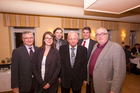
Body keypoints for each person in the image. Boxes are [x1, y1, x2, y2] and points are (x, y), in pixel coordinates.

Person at [87, 27, 126, 93]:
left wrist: (114, 89)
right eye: (98, 34)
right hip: (92, 81)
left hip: (105, 86)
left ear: (107, 35)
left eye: (103, 34)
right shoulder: (95, 45)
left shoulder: (116, 47)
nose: (100, 36)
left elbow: (120, 73)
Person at [78, 27, 96, 93]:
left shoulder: (94, 43)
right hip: (79, 67)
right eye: (84, 32)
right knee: (78, 85)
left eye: (87, 32)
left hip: (89, 67)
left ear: (90, 33)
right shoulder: (79, 41)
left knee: (89, 86)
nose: (85, 34)